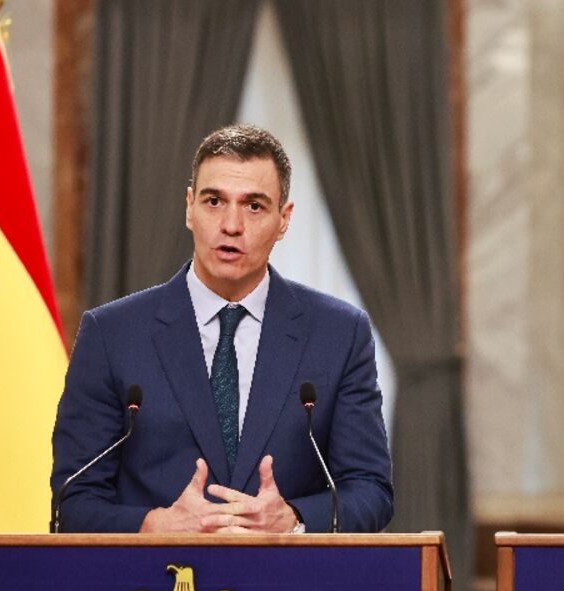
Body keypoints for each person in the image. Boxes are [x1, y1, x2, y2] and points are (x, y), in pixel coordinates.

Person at [51, 124, 392, 533]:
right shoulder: (112, 335)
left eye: (254, 206)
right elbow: (73, 500)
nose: (231, 225)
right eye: (214, 201)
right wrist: (151, 525)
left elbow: (371, 491)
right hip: (151, 589)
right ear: (189, 207)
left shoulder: (338, 334)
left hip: (287, 585)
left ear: (283, 220)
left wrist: (294, 520)